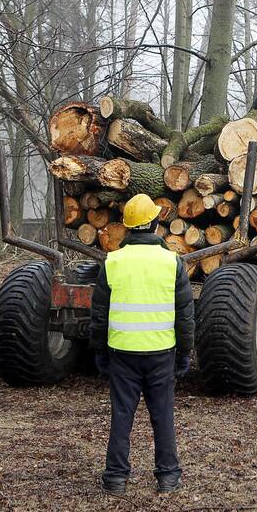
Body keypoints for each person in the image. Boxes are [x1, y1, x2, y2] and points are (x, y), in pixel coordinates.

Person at [89, 193, 195, 495]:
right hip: (161, 354)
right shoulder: (172, 262)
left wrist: (99, 352)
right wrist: (184, 353)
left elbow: (99, 315)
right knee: (162, 415)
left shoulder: (112, 262)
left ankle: (115, 478)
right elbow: (185, 317)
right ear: (154, 223)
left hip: (122, 354)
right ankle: (168, 476)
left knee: (122, 415)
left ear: (128, 227)